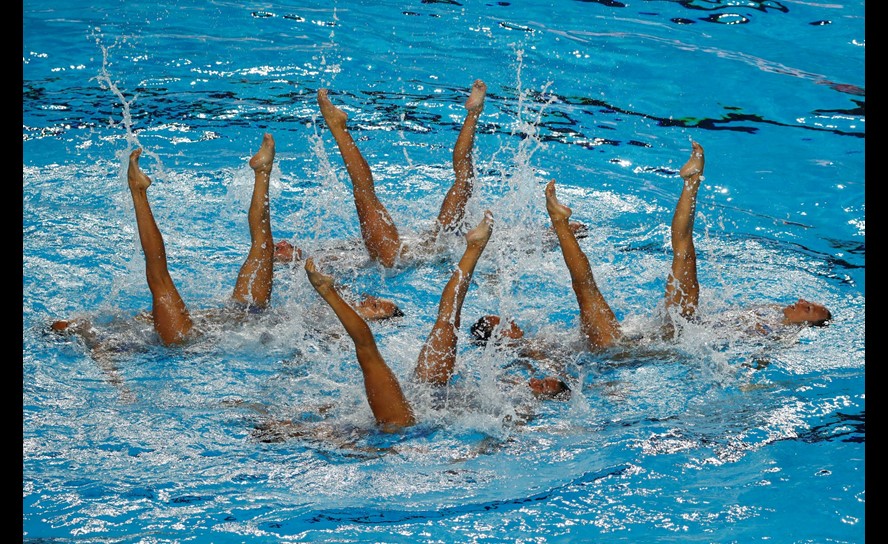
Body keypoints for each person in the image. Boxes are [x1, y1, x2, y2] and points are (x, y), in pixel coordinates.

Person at [473, 141, 832, 354]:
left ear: (809, 324)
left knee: (586, 289)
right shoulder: (770, 316)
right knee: (685, 253)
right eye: (809, 301)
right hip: (675, 329)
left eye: (809, 308)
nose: (802, 301)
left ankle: (559, 223)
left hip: (619, 349)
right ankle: (692, 183)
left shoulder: (782, 336)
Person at [302, 210, 495, 431]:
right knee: (446, 319)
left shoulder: (394, 424)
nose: (370, 299)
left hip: (419, 406)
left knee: (442, 321)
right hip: (422, 402)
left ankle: (474, 248)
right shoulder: (398, 423)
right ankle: (474, 248)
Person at [315, 80, 488, 268]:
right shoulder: (451, 245)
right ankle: (473, 113)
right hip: (429, 245)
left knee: (387, 256)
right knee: (464, 180)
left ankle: (338, 127)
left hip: (415, 251)